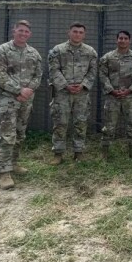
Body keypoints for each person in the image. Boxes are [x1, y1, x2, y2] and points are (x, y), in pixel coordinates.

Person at [0, 20, 43, 190]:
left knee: (20, 134)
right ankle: (4, 173)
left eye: (26, 32)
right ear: (14, 31)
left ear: (30, 34)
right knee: (7, 135)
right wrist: (18, 90)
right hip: (8, 99)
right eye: (20, 30)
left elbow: (38, 76)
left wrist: (28, 91)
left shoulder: (34, 54)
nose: (23, 34)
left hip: (26, 101)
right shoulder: (2, 51)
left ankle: (13, 163)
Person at [47, 23, 97, 164]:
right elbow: (53, 70)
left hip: (82, 94)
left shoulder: (90, 52)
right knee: (60, 123)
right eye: (75, 31)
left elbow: (92, 72)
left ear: (84, 35)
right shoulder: (58, 50)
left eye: (81, 32)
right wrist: (65, 85)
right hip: (62, 93)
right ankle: (58, 153)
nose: (77, 34)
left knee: (81, 123)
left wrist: (83, 85)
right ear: (69, 33)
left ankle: (78, 152)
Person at [98, 30, 132, 157]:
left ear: (129, 40)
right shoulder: (107, 57)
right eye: (120, 38)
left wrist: (130, 90)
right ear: (116, 40)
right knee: (109, 127)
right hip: (112, 98)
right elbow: (102, 75)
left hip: (130, 98)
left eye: (125, 38)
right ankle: (105, 153)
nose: (122, 40)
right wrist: (111, 90)